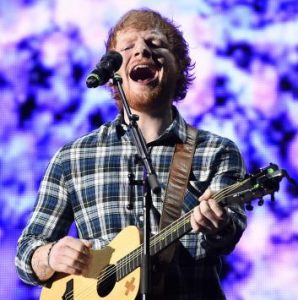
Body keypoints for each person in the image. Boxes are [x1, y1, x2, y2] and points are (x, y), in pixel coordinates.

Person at [16, 8, 247, 299]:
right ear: (113, 77)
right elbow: (27, 251)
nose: (141, 50)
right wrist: (49, 256)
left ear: (179, 68)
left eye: (155, 44)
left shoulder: (216, 151)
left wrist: (220, 224)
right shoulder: (72, 158)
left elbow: (229, 233)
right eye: (127, 48)